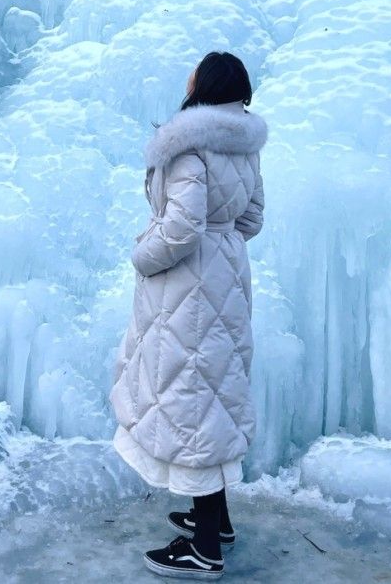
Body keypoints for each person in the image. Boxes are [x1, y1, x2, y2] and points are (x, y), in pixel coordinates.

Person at [110, 51, 268, 580]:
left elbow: (179, 227)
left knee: (190, 404)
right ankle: (217, 520)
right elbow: (251, 217)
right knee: (212, 396)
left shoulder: (186, 146)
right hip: (226, 279)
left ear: (205, 84)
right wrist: (221, 250)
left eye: (194, 72)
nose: (187, 78)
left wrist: (142, 256)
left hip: (186, 295)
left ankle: (203, 549)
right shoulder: (243, 143)